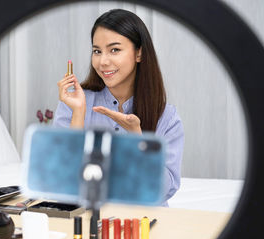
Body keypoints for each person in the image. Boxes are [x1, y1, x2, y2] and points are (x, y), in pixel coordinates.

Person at [53, 9, 184, 206]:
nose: (103, 61)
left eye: (114, 50)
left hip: (145, 223)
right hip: (88, 220)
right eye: (97, 51)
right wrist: (79, 113)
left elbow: (164, 190)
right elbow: (61, 178)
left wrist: (137, 141)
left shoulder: (167, 116)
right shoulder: (74, 103)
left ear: (139, 53)